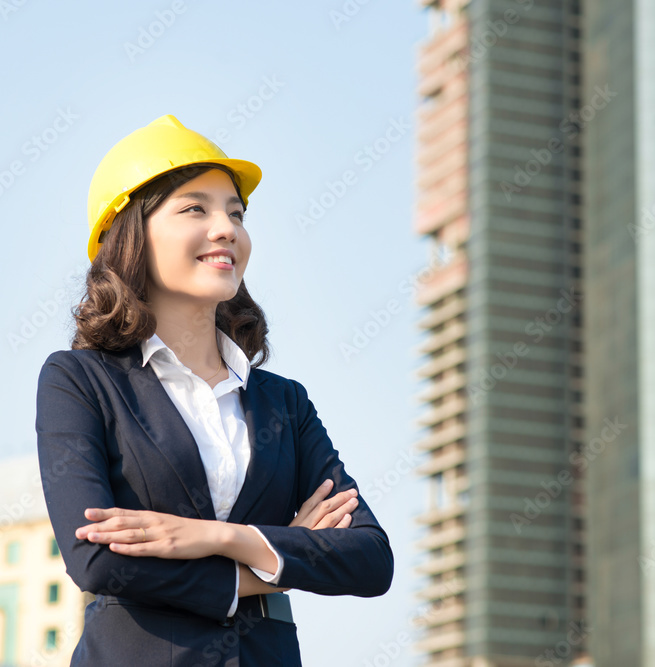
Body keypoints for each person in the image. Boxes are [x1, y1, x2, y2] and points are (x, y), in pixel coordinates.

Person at [35, 114, 394, 666]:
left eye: (235, 213)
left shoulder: (284, 403)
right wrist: (275, 560)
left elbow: (370, 558)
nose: (226, 228)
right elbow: (98, 562)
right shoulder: (80, 381)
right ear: (130, 233)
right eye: (194, 208)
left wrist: (215, 537)